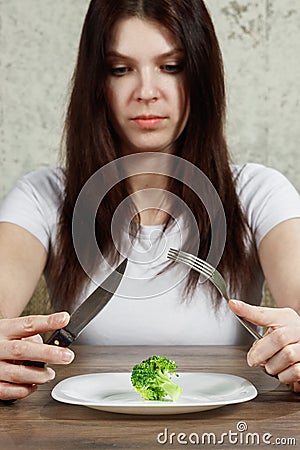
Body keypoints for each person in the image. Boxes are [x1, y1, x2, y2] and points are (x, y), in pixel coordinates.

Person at [0, 0, 299, 402]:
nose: (146, 92)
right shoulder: (42, 196)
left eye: (171, 66)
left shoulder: (259, 192)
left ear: (201, 76)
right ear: (96, 83)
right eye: (120, 70)